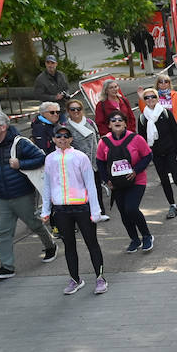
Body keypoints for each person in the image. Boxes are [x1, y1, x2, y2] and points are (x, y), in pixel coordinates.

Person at [0, 109, 58, 279]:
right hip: (2, 196)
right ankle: (6, 267)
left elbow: (41, 157)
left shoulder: (20, 143)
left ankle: (50, 245)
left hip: (22, 193)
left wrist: (20, 163)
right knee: (3, 231)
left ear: (3, 127)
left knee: (33, 223)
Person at [40, 126, 108, 295]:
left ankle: (100, 278)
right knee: (69, 245)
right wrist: (46, 210)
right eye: (59, 136)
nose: (62, 139)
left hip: (82, 208)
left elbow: (91, 185)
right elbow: (47, 185)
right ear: (54, 139)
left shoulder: (80, 157)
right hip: (61, 209)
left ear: (71, 139)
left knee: (91, 242)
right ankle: (75, 279)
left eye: (66, 136)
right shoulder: (50, 159)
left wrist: (95, 210)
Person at [96, 112, 155, 253]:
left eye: (120, 120)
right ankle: (134, 239)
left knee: (131, 208)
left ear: (125, 123)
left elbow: (148, 156)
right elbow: (100, 162)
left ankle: (147, 236)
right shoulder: (103, 142)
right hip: (116, 183)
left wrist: (135, 171)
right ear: (109, 124)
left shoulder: (136, 139)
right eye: (113, 120)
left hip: (136, 181)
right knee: (123, 212)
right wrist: (106, 180)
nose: (117, 122)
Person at [138, 87, 177, 219]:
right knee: (165, 181)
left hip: (171, 151)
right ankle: (173, 206)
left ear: (157, 98)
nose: (150, 100)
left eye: (153, 97)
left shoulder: (165, 113)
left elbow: (176, 133)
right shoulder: (143, 118)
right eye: (147, 97)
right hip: (157, 154)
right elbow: (142, 139)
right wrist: (146, 156)